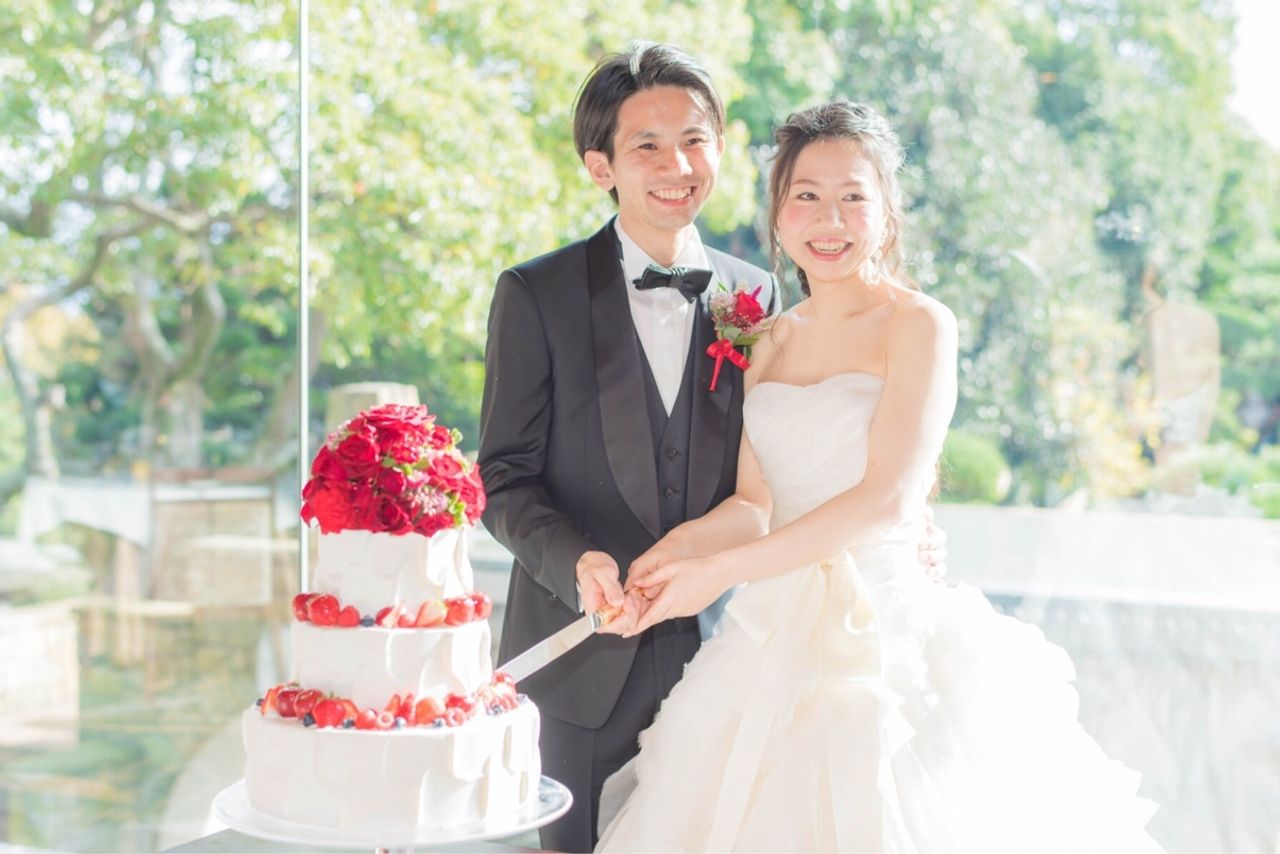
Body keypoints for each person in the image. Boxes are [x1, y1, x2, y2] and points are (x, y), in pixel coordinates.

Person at [594, 100, 1163, 852]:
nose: (829, 220)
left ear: (886, 212)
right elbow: (754, 504)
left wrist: (720, 573)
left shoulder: (919, 324)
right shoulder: (764, 341)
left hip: (886, 637)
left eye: (852, 197)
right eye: (806, 195)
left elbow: (887, 499)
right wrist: (675, 555)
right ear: (779, 213)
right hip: (766, 636)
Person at [478, 44, 946, 851]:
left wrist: (909, 524)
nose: (676, 166)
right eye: (647, 146)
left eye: (695, 140)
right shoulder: (536, 294)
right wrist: (582, 563)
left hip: (730, 647)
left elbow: (851, 477)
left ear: (722, 150)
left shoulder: (754, 300)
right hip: (585, 665)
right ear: (600, 165)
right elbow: (504, 476)